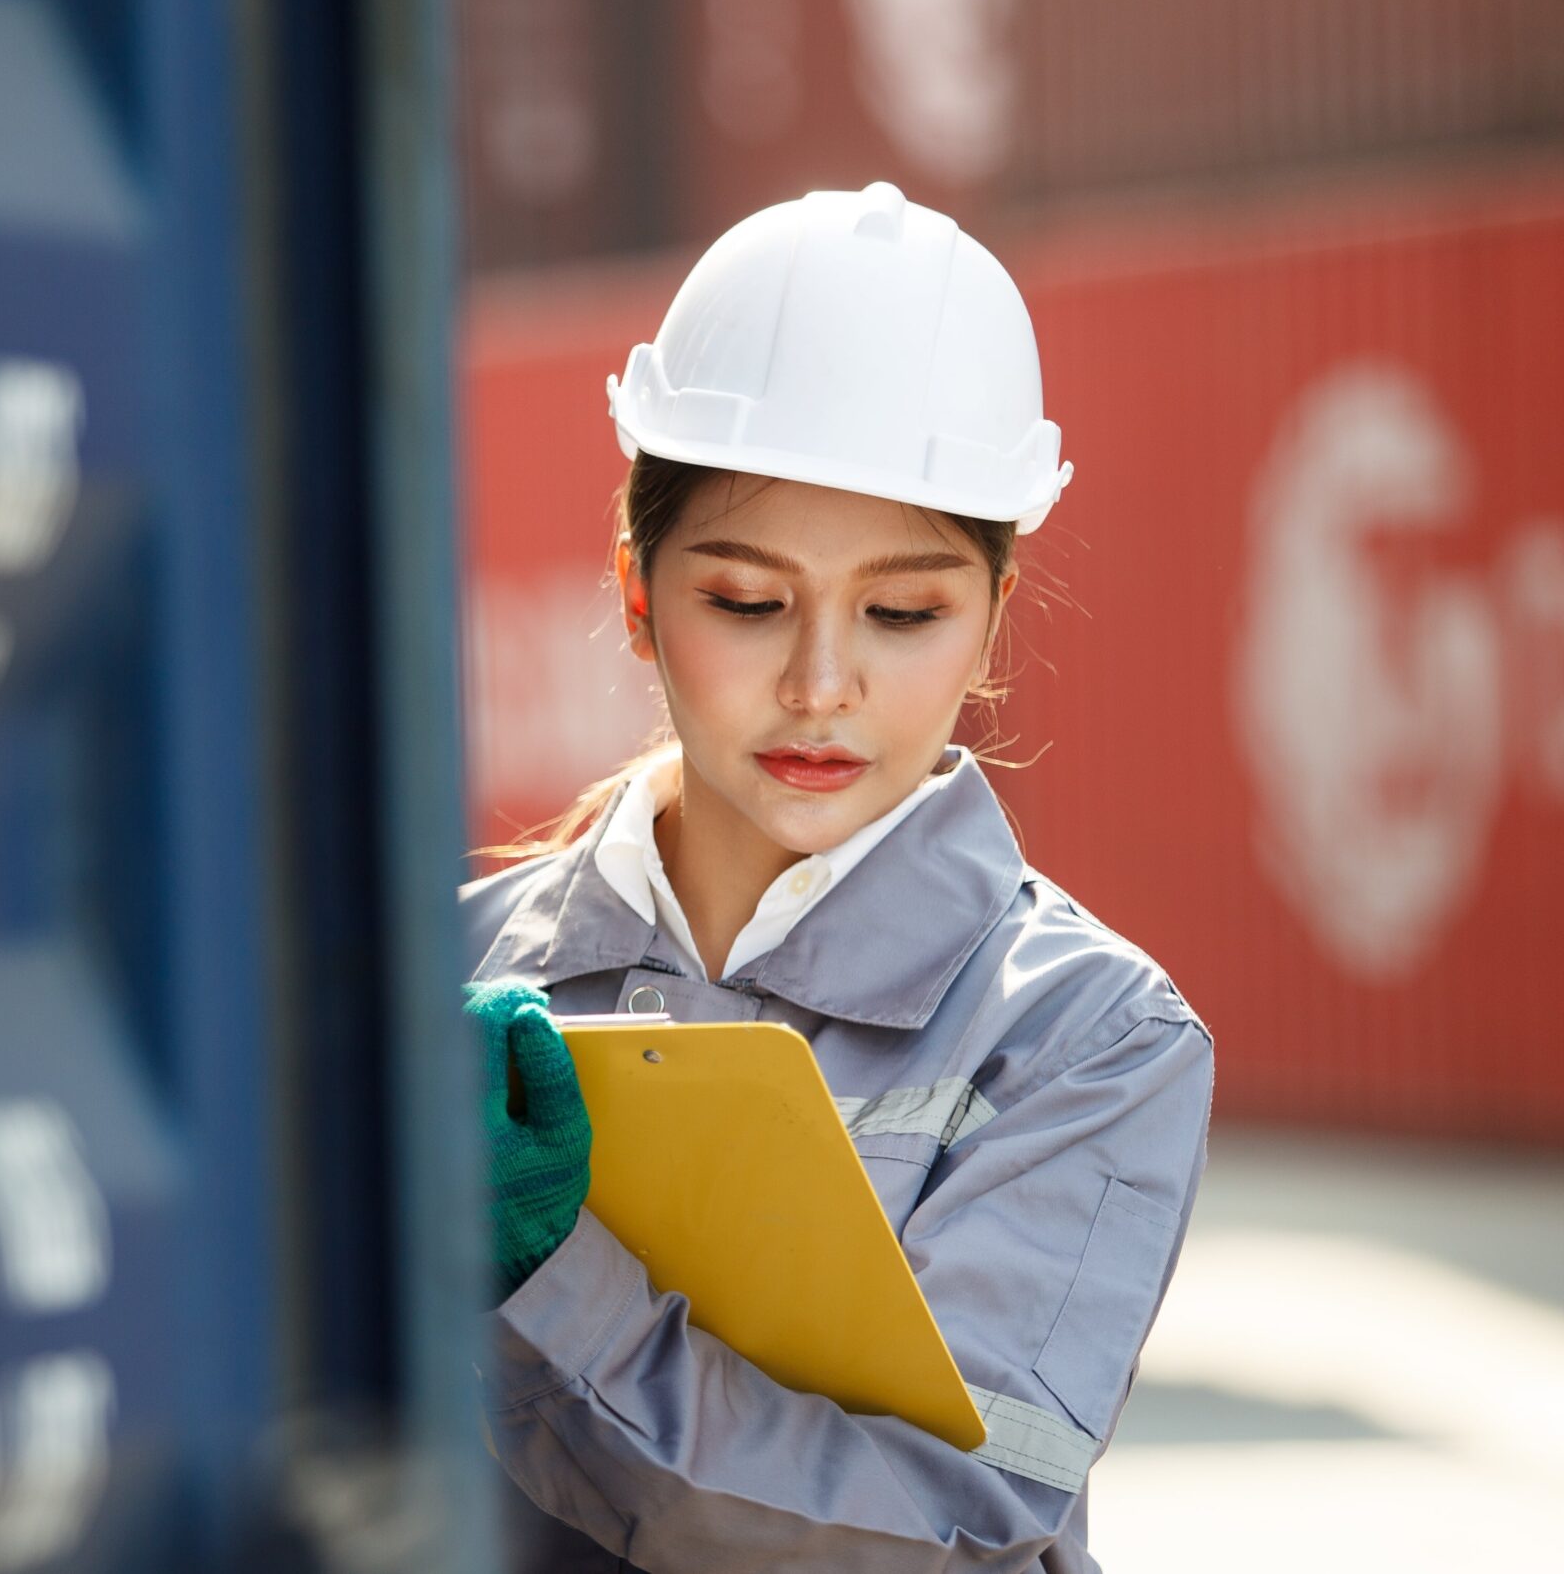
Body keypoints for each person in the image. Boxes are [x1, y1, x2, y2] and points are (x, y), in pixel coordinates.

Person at [458, 183, 1214, 1573]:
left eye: (903, 613)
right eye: (746, 602)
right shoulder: (448, 984)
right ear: (637, 591)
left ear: (991, 619)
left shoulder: (1089, 1037)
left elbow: (929, 1535)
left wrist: (547, 1288)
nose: (820, 684)